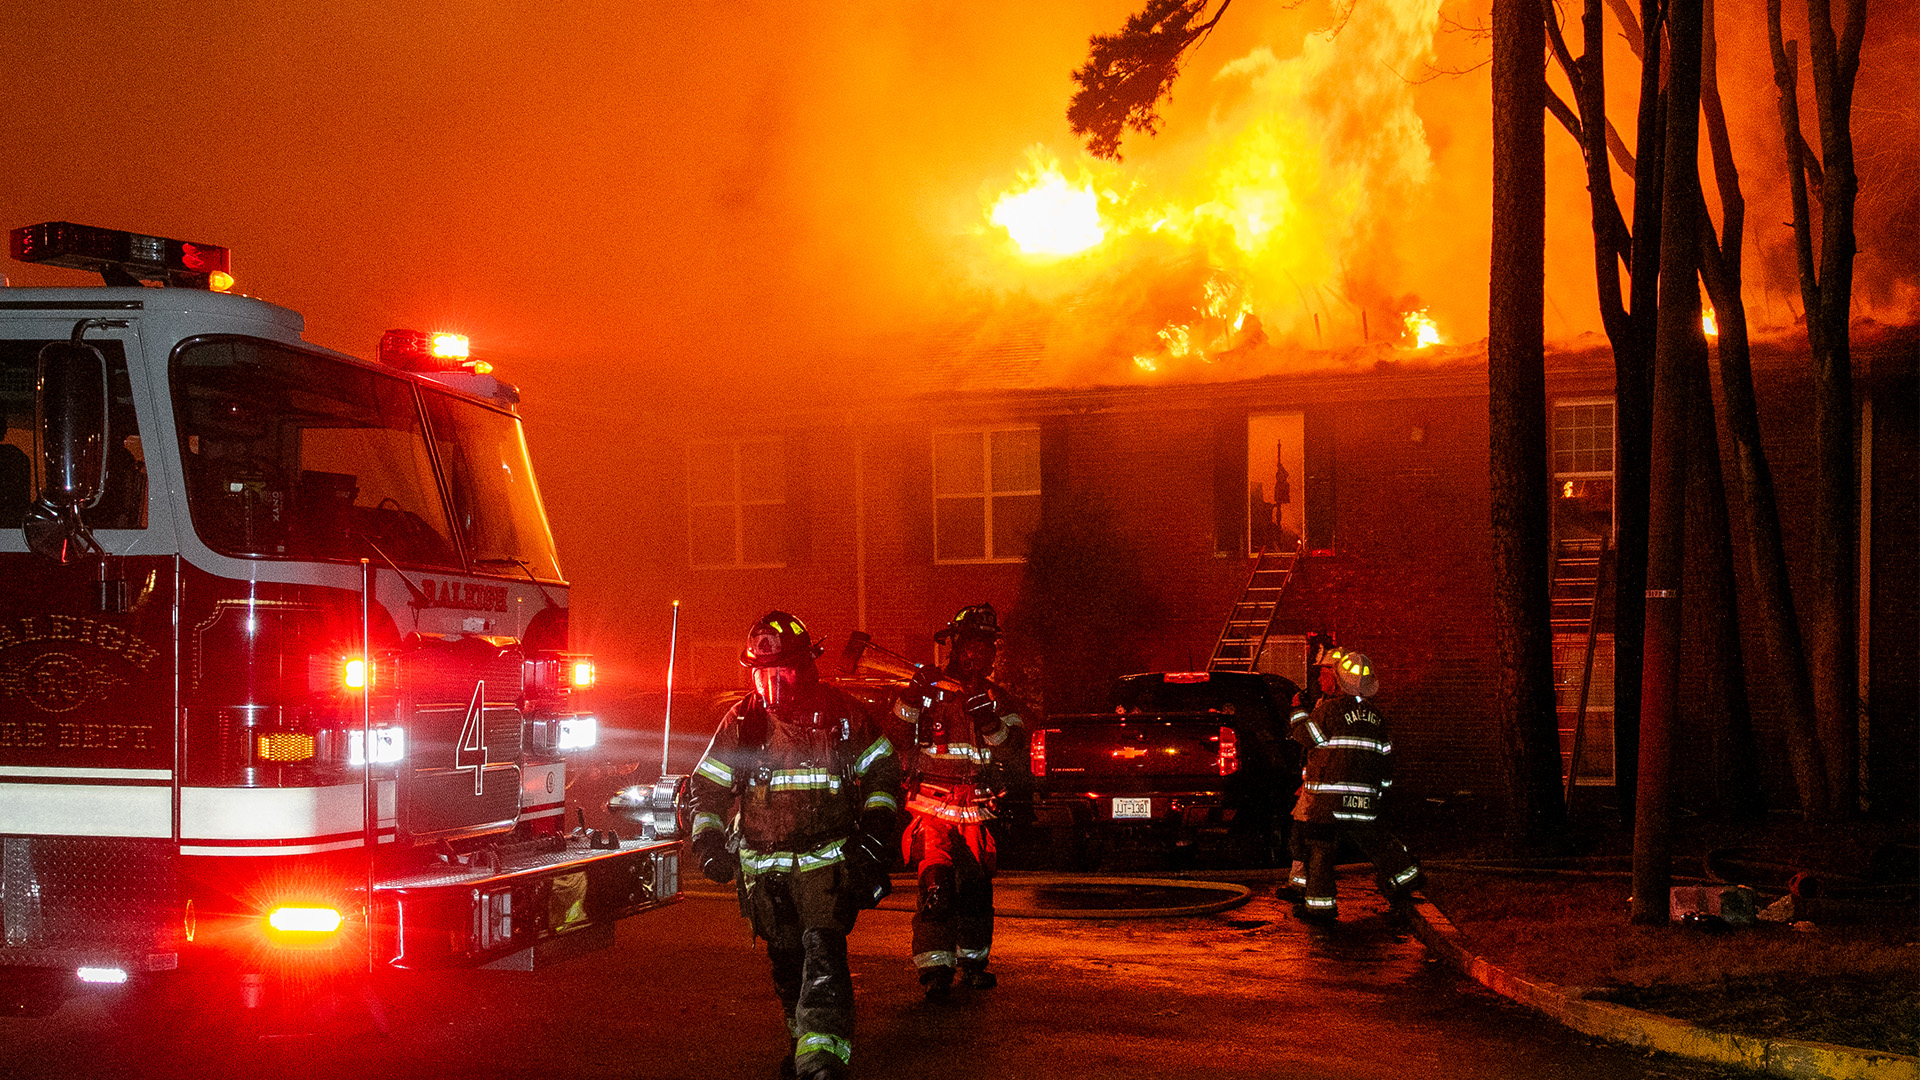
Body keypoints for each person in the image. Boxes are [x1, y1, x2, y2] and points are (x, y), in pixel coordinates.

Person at [688, 612, 903, 1080]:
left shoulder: (843, 716)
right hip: (763, 872)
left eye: (780, 669)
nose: (770, 681)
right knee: (786, 962)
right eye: (760, 672)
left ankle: (822, 1063)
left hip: (825, 866)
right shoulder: (742, 722)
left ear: (805, 666)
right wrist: (706, 840)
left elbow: (883, 773)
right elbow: (706, 787)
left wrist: (873, 835)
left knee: (822, 955)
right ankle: (802, 1042)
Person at [890, 602, 1026, 999]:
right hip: (931, 809)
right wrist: (913, 695)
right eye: (971, 644)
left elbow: (1013, 748)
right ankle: (934, 971)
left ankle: (973, 962)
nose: (977, 654)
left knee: (977, 891)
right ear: (955, 646)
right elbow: (896, 733)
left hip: (978, 814)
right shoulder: (930, 692)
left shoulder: (998, 699)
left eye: (986, 647)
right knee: (937, 888)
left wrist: (989, 721)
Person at [1290, 649, 1421, 926]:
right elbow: (1386, 758)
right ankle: (1407, 878)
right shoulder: (1376, 716)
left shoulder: (1330, 710)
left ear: (1339, 681)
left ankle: (1320, 908)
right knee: (1376, 842)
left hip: (1328, 801)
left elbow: (1304, 735)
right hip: (1364, 800)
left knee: (1321, 850)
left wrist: (1297, 710)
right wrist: (1381, 792)